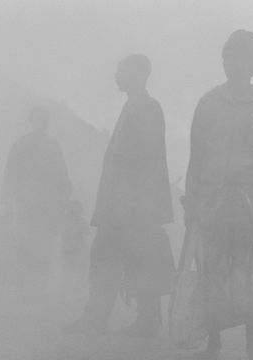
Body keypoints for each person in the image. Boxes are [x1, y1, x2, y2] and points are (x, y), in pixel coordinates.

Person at [184, 29, 253, 360]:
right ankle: (212, 343)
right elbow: (195, 158)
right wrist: (191, 201)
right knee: (212, 267)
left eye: (241, 58)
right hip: (212, 198)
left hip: (252, 202)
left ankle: (252, 345)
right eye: (228, 57)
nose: (233, 63)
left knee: (251, 269)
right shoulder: (208, 104)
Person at [66, 54, 174, 336]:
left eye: (121, 70)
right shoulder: (133, 106)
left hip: (133, 205)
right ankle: (108, 317)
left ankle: (138, 320)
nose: (116, 75)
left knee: (128, 256)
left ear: (139, 73)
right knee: (113, 256)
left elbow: (149, 160)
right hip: (121, 203)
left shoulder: (147, 108)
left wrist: (137, 204)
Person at [1, 106, 72, 295]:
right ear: (34, 121)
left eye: (43, 119)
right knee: (28, 246)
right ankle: (27, 288)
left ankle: (34, 289)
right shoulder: (25, 144)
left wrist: (63, 198)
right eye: (39, 119)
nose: (41, 123)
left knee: (40, 247)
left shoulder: (48, 145)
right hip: (29, 206)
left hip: (43, 207)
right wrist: (8, 199)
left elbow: (62, 177)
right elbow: (10, 173)